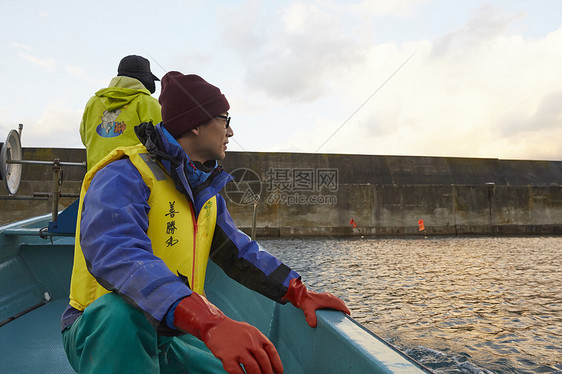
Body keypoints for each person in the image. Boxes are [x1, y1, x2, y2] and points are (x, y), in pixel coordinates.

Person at [61, 71, 350, 374]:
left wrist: (298, 291)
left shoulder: (204, 195)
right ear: (195, 125)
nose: (231, 131)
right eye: (224, 119)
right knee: (119, 313)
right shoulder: (123, 174)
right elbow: (117, 253)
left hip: (166, 332)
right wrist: (209, 322)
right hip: (102, 332)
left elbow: (241, 253)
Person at [79, 55, 162, 170]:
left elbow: (84, 138)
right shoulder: (148, 103)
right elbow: (164, 142)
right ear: (145, 79)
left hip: (96, 179)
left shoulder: (93, 102)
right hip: (134, 180)